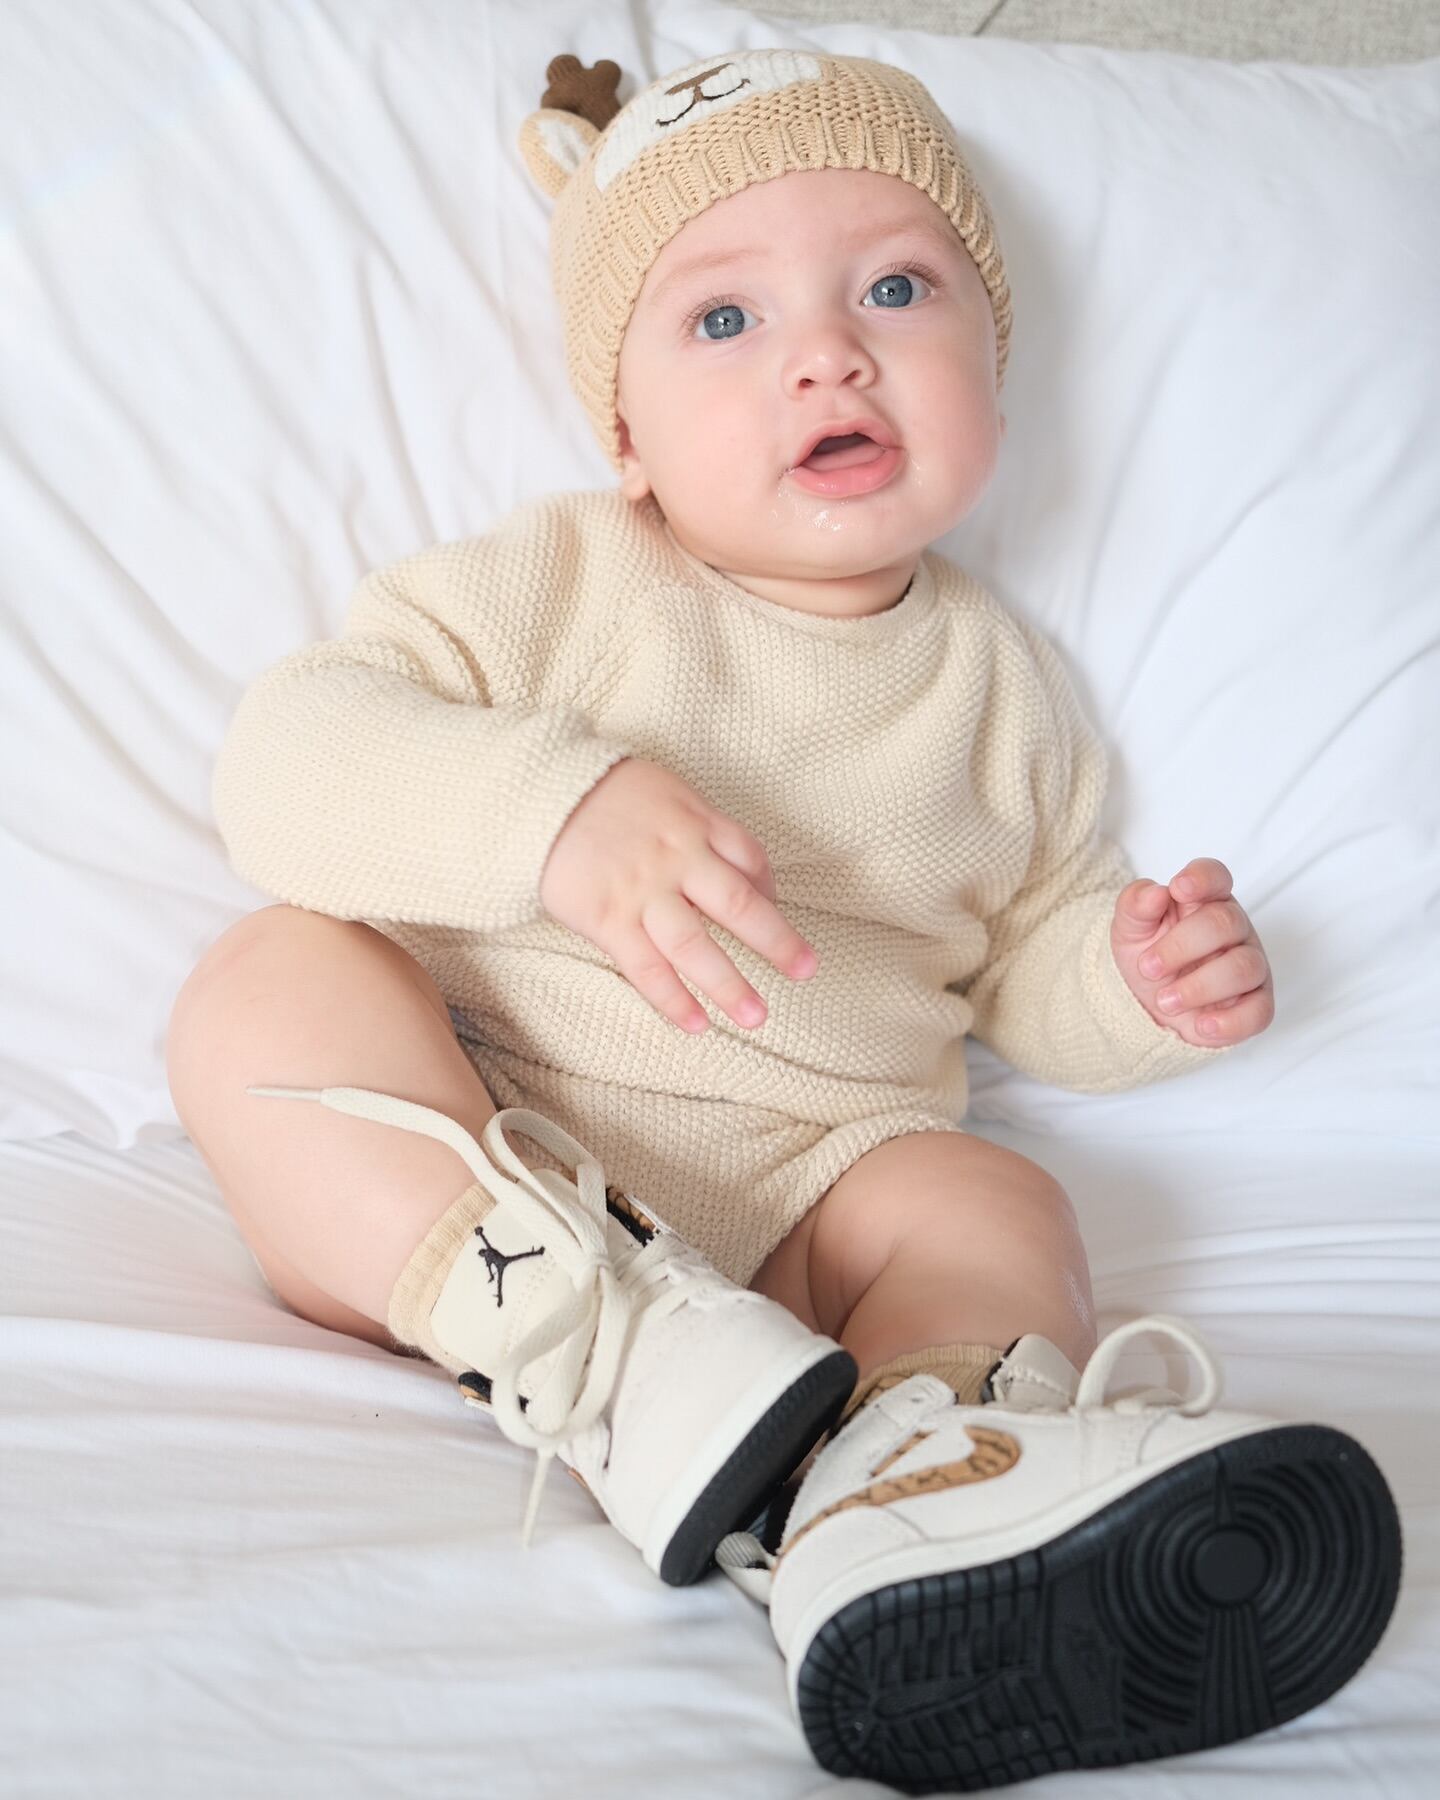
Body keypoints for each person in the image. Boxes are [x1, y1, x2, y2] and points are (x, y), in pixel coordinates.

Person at [165, 47, 1400, 1790]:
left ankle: (910, 1482)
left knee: (991, 1197)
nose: (828, 353)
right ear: (626, 437)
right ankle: (613, 1361)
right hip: (466, 1163)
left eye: (897, 290)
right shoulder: (558, 583)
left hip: (806, 1206)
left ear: (995, 370)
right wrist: (556, 812)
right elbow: (288, 757)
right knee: (266, 984)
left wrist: (1128, 982)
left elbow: (1027, 954)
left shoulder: (1003, 692)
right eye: (726, 321)